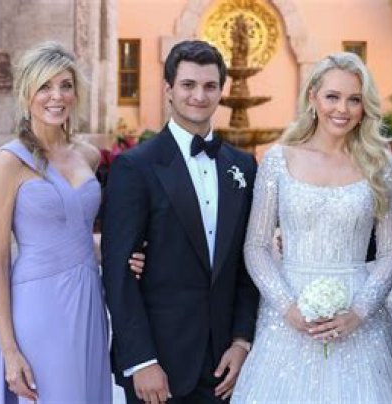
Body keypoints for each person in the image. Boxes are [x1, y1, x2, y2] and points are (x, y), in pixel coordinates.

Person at [230, 52, 392, 403]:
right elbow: (256, 246)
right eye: (332, 97)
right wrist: (287, 308)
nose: (342, 109)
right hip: (288, 316)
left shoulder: (380, 165)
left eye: (354, 99)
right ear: (313, 97)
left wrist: (359, 312)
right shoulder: (279, 160)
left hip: (358, 317)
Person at [100, 40, 260, 403]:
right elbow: (118, 273)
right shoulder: (134, 167)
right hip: (159, 363)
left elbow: (247, 263)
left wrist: (242, 342)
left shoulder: (243, 167)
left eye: (210, 86)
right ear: (169, 89)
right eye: (188, 85)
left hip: (224, 365)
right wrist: (141, 360)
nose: (199, 96)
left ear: (221, 90)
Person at [0, 41, 111, 402]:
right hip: (39, 305)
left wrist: (124, 253)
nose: (57, 96)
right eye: (44, 86)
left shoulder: (88, 156)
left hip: (89, 300)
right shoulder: (7, 162)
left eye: (65, 85)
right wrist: (9, 351)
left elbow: (77, 233)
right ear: (27, 94)